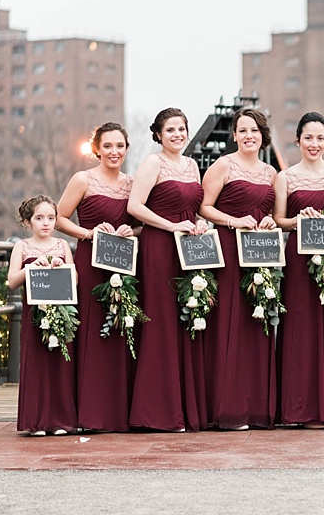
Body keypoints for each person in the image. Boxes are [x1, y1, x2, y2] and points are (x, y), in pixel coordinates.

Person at [127, 107, 208, 432]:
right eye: (170, 129)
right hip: (159, 248)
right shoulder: (152, 163)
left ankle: (185, 409)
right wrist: (172, 226)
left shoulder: (191, 165)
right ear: (159, 134)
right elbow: (135, 206)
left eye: (181, 128)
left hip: (188, 250)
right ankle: (157, 413)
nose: (177, 134)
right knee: (160, 324)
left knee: (185, 320)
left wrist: (199, 224)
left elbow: (196, 208)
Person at [199, 107, 278, 430]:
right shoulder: (223, 165)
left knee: (256, 324)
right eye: (242, 130)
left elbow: (272, 210)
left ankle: (255, 408)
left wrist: (271, 219)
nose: (248, 136)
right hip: (229, 251)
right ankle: (226, 408)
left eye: (254, 130)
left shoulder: (271, 172)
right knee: (228, 324)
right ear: (233, 135)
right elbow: (203, 207)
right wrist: (233, 221)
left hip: (260, 252)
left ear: (263, 136)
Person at [56, 122, 136, 433]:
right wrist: (88, 233)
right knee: (91, 331)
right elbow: (60, 218)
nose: (114, 152)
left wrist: (133, 230)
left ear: (126, 149)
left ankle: (118, 412)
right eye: (108, 146)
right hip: (90, 263)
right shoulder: (83, 179)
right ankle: (89, 413)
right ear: (97, 150)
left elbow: (142, 222)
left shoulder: (132, 184)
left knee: (120, 330)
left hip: (124, 266)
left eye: (120, 146)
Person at [273, 112, 324, 429]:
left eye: (320, 138)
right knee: (299, 329)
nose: (314, 144)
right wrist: (298, 220)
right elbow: (279, 220)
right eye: (308, 138)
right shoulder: (285, 177)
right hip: (298, 261)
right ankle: (297, 408)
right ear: (298, 141)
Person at [7, 195, 77, 436]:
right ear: (28, 222)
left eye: (50, 218)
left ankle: (60, 420)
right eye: (39, 218)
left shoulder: (62, 246)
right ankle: (36, 421)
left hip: (61, 311)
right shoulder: (22, 246)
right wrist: (31, 267)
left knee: (60, 363)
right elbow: (11, 282)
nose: (46, 223)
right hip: (33, 314)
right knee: (36, 362)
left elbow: (75, 280)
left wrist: (62, 267)